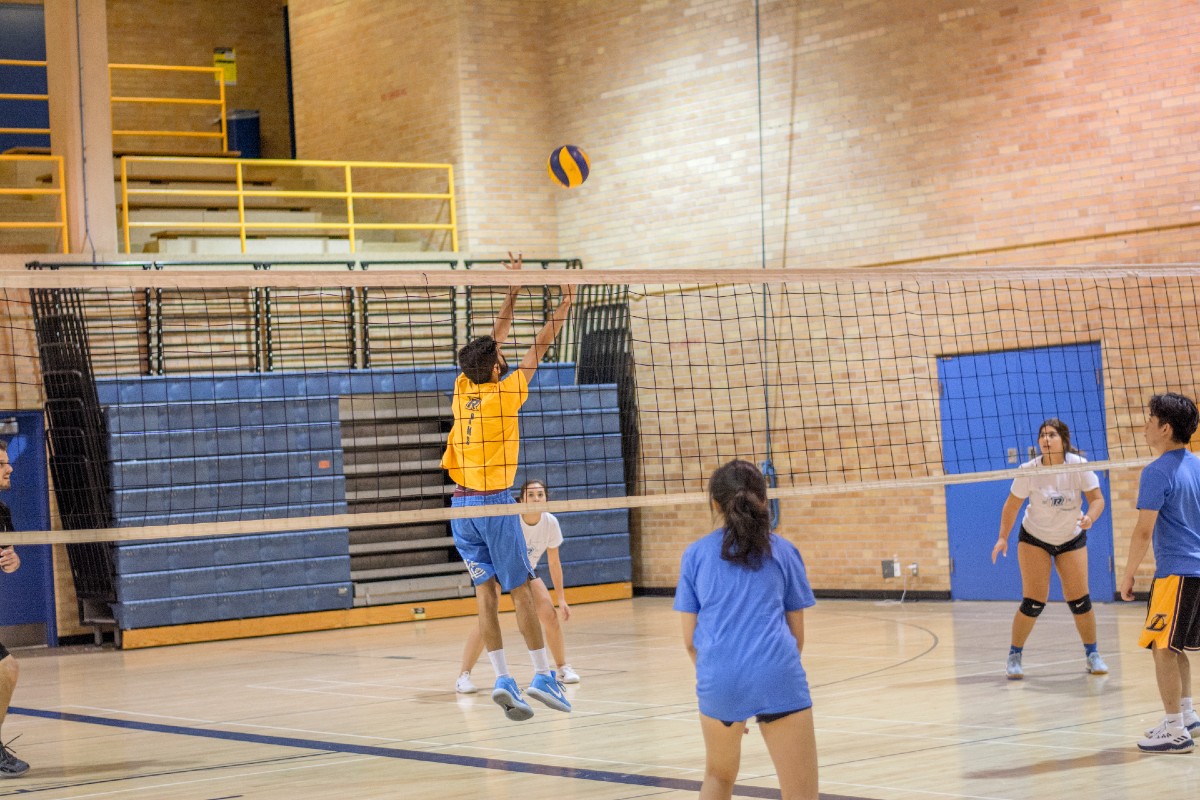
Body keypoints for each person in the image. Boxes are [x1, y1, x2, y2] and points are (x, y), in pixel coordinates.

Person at [441, 253, 575, 721]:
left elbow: (489, 344)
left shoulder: (464, 387)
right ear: (497, 369)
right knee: (521, 591)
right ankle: (542, 675)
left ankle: (500, 676)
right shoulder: (506, 393)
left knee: (485, 597)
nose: (503, 355)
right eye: (501, 358)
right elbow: (540, 345)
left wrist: (512, 291)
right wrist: (567, 301)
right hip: (496, 507)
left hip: (459, 508)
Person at [674, 459, 818, 800]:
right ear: (765, 501)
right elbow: (796, 635)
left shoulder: (694, 555)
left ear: (714, 504)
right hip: (776, 672)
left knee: (718, 777)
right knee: (801, 794)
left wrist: (731, 689)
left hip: (720, 677)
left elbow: (690, 641)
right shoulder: (784, 551)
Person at [991, 418, 1108, 680]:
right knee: (1033, 602)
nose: (1046, 439)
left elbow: (1098, 499)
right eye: (1042, 435)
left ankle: (1092, 654)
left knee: (1080, 601)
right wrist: (1002, 538)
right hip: (1035, 537)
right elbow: (1011, 506)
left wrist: (1090, 517)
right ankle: (1014, 655)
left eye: (1052, 435)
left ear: (1063, 440)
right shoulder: (1028, 470)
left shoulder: (1078, 465)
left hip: (1071, 537)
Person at [1118, 392, 1200, 754]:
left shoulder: (1156, 472)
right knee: (1171, 645)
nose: (1145, 427)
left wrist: (1128, 573)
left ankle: (1174, 731)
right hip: (1194, 572)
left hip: (1176, 574)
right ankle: (1186, 715)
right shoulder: (1197, 465)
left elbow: (1143, 530)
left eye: (1150, 421)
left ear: (1165, 428)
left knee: (1163, 649)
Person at [456, 479, 580, 694]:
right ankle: (463, 675)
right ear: (521, 499)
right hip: (496, 565)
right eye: (531, 495)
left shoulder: (550, 522)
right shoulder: (510, 516)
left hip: (524, 570)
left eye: (540, 494)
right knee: (487, 614)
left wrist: (561, 598)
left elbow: (553, 562)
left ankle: (561, 667)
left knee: (549, 613)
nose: (536, 499)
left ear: (546, 498)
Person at [0, 443, 28, 777]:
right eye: (2, 464)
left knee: (6, 670)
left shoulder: (2, 511)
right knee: (6, 667)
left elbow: (9, 559)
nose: (9, 469)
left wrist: (13, 561)